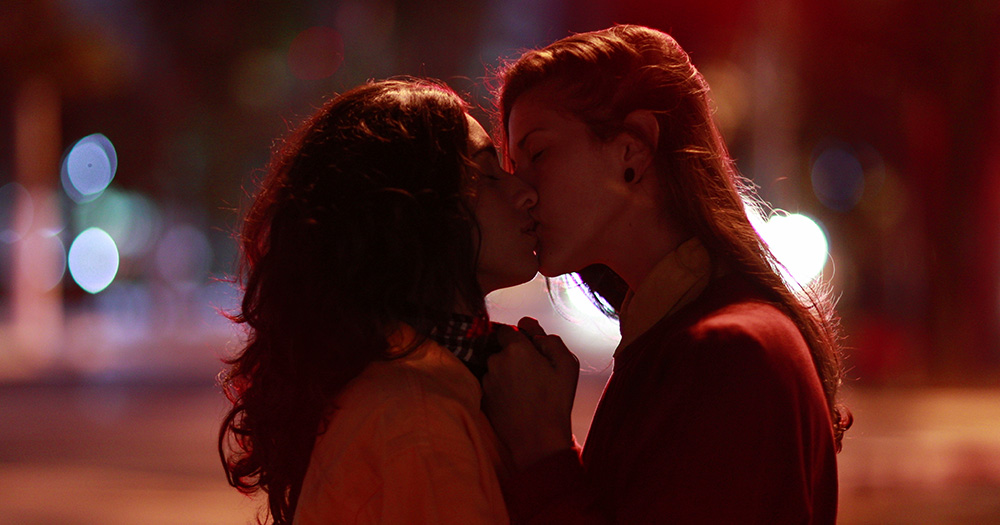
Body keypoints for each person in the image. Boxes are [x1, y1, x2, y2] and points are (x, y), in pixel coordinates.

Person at [481, 24, 852, 524]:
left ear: (632, 150)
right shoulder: (672, 339)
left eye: (538, 153)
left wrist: (543, 450)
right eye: (510, 164)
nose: (522, 190)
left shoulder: (730, 349)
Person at [218, 78, 540, 524]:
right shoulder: (420, 417)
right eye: (486, 174)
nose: (525, 191)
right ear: (409, 214)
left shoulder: (412, 384)